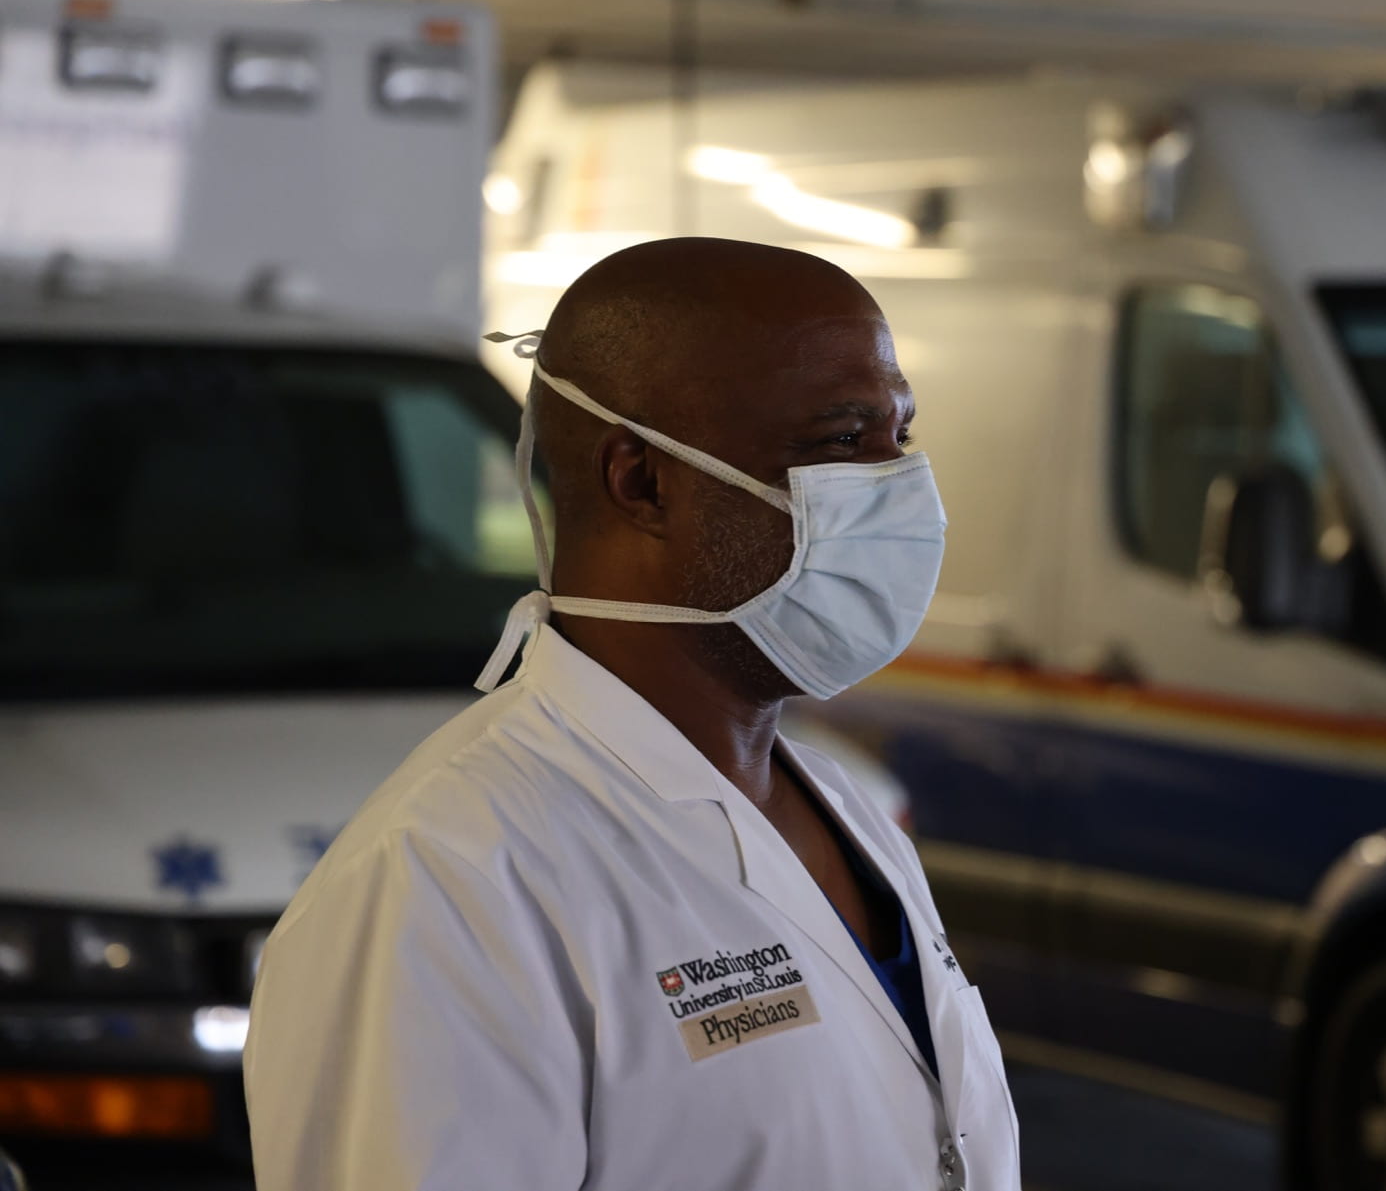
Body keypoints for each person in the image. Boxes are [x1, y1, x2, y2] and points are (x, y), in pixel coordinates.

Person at [244, 238, 1019, 1191]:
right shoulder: (449, 879)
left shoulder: (843, 808)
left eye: (899, 435)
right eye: (841, 443)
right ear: (642, 480)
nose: (901, 488)